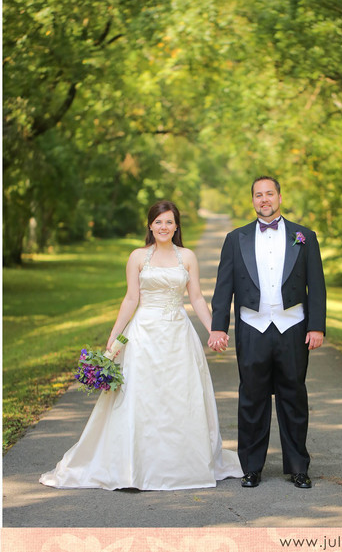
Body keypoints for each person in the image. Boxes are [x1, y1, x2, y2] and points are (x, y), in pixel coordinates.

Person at [40, 200, 243, 490]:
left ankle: (180, 464)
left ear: (176, 226)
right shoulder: (137, 257)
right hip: (143, 336)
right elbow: (131, 299)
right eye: (158, 222)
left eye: (169, 222)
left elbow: (196, 298)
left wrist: (215, 330)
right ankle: (132, 466)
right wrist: (114, 338)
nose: (163, 227)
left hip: (178, 336)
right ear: (150, 225)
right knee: (140, 398)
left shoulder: (187, 257)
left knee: (179, 397)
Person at [208, 176, 326, 489]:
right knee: (251, 398)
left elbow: (316, 285)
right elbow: (223, 288)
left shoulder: (305, 236)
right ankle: (251, 468)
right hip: (252, 326)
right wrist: (218, 327)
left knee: (294, 396)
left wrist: (316, 326)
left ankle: (298, 467)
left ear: (280, 197)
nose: (264, 200)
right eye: (258, 195)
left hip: (292, 326)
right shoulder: (236, 238)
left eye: (269, 194)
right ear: (252, 201)